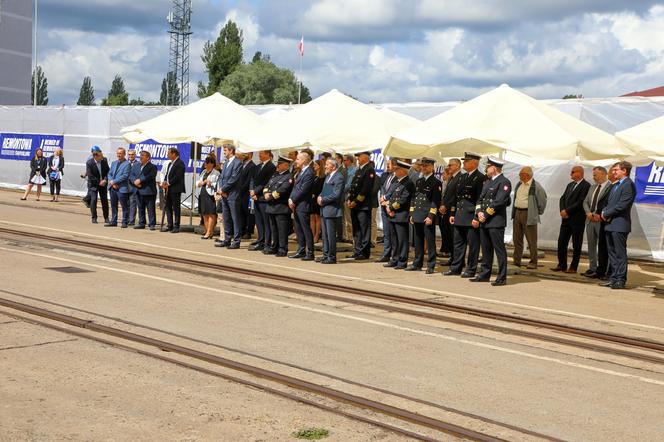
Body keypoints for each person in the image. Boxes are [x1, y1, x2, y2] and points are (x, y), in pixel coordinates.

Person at [471, 157, 512, 286]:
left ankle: (501, 277)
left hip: (495, 221)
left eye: (488, 167)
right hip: (485, 220)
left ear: (494, 168)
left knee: (499, 250)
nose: (486, 169)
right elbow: (480, 199)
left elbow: (499, 201)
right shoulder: (488, 182)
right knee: (486, 249)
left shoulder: (504, 182)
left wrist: (486, 215)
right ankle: (484, 274)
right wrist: (479, 213)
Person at [444, 152, 485, 278]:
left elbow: (480, 199)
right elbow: (457, 198)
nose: (464, 163)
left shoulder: (480, 178)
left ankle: (471, 269)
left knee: (473, 245)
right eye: (464, 161)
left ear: (474, 163)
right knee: (458, 244)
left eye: (467, 161)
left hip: (471, 215)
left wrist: (476, 217)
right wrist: (452, 213)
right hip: (460, 215)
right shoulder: (462, 177)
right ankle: (456, 267)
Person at [600, 161, 636, 290]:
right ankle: (614, 278)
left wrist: (606, 213)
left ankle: (620, 279)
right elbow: (610, 203)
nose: (613, 172)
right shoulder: (616, 185)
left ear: (624, 171)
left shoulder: (628, 185)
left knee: (620, 254)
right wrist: (604, 211)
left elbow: (623, 204)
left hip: (620, 224)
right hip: (610, 224)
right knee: (612, 254)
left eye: (616, 170)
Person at [551, 165, 590, 273]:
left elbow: (581, 201)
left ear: (579, 173)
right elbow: (562, 198)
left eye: (573, 172)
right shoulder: (570, 185)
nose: (570, 174)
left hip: (577, 219)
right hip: (566, 219)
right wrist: (562, 210)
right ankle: (562, 264)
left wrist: (568, 211)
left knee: (576, 244)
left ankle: (573, 267)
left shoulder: (586, 185)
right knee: (562, 241)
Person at [407, 157, 442, 274]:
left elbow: (435, 201)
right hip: (417, 214)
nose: (423, 168)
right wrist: (412, 213)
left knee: (430, 241)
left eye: (426, 166)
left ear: (432, 167)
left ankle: (431, 265)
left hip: (427, 216)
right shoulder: (419, 181)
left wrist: (431, 216)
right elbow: (414, 198)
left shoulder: (436, 182)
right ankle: (417, 262)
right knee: (418, 241)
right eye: (422, 166)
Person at [511, 166, 548, 269]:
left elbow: (542, 201)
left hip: (529, 214)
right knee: (517, 239)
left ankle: (533, 262)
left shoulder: (536, 186)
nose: (519, 175)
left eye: (520, 174)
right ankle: (517, 261)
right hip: (517, 212)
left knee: (531, 240)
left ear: (526, 175)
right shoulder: (519, 184)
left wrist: (537, 212)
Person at [383, 159, 415, 269]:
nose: (394, 171)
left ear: (403, 171)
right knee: (394, 240)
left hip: (401, 215)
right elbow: (389, 196)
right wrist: (388, 206)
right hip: (392, 215)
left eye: (397, 169)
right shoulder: (396, 182)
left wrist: (391, 208)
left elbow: (403, 200)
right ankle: (395, 259)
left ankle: (402, 261)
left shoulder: (408, 183)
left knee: (402, 240)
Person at [582, 166, 612, 278]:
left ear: (604, 174)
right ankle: (592, 268)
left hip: (601, 220)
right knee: (591, 246)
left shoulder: (610, 187)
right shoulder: (592, 187)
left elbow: (608, 204)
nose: (593, 177)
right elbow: (585, 202)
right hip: (590, 220)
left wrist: (598, 215)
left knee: (603, 246)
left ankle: (603, 268)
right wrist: (588, 213)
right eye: (593, 175)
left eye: (595, 175)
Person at [346, 151, 376, 260]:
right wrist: (350, 199)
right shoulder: (359, 169)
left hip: (363, 205)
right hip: (355, 205)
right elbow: (353, 186)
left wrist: (356, 201)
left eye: (359, 156)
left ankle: (364, 252)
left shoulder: (369, 170)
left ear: (365, 157)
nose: (358, 158)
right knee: (356, 229)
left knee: (364, 230)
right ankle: (357, 250)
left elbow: (366, 189)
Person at [264, 156, 294, 257]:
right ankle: (274, 246)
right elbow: (266, 186)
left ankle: (282, 248)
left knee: (282, 230)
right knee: (274, 229)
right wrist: (265, 194)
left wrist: (271, 196)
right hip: (271, 206)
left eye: (280, 164)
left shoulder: (289, 177)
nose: (277, 166)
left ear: (286, 166)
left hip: (281, 207)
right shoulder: (275, 175)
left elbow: (283, 190)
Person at [289, 150, 316, 260]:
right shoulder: (301, 171)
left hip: (303, 204)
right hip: (297, 204)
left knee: (305, 228)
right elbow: (296, 188)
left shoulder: (309, 172)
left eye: (298, 159)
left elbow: (304, 190)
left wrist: (293, 200)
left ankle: (310, 252)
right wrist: (291, 198)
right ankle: (301, 250)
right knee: (298, 228)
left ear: (304, 160)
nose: (296, 161)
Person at [317, 158, 345, 263]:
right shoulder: (328, 176)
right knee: (325, 235)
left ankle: (331, 257)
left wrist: (323, 199)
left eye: (327, 164)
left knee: (331, 235)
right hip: (324, 209)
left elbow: (336, 194)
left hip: (332, 210)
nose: (325, 166)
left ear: (333, 166)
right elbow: (324, 191)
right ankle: (325, 255)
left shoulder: (339, 177)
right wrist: (320, 197)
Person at [216, 145, 243, 248]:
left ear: (231, 151)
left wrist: (223, 189)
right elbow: (222, 178)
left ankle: (236, 241)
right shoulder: (226, 162)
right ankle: (227, 239)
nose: (224, 152)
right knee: (226, 218)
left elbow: (234, 179)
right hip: (224, 195)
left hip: (233, 195)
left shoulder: (237, 163)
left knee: (235, 218)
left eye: (225, 150)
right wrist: (221, 190)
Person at [249, 150, 276, 251]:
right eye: (259, 153)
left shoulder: (271, 167)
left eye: (262, 153)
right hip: (255, 197)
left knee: (266, 221)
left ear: (268, 154)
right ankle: (260, 240)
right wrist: (252, 190)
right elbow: (252, 179)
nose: (259, 155)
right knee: (258, 221)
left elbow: (266, 182)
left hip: (263, 197)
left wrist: (255, 192)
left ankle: (267, 242)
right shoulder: (258, 166)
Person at [439, 158, 462, 265]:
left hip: (454, 211)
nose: (448, 167)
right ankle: (453, 258)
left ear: (457, 166)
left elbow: (456, 196)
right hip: (448, 210)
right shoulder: (452, 178)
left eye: (450, 165)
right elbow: (447, 194)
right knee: (449, 236)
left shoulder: (460, 177)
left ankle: (457, 260)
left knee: (455, 237)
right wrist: (443, 205)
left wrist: (446, 206)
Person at [377, 158, 398, 262]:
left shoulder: (397, 178)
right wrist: (382, 199)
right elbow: (383, 189)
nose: (387, 166)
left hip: (391, 208)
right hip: (384, 207)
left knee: (393, 234)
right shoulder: (387, 176)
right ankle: (386, 254)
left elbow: (394, 193)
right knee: (386, 232)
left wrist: (387, 203)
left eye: (389, 164)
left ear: (395, 166)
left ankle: (394, 256)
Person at [160, 147, 186, 233]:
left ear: (174, 154)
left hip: (175, 189)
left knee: (176, 208)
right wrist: (164, 181)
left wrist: (169, 183)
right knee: (168, 207)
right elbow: (167, 174)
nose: (167, 155)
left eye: (169, 153)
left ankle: (176, 225)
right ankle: (169, 225)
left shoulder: (180, 163)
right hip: (168, 189)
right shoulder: (170, 163)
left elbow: (178, 176)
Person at [106, 147, 132, 228]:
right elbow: (109, 174)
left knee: (124, 206)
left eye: (120, 153)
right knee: (113, 205)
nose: (119, 155)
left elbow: (125, 176)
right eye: (118, 153)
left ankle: (124, 221)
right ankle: (113, 221)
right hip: (112, 187)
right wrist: (112, 182)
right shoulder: (114, 163)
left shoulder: (127, 164)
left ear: (124, 154)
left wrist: (114, 181)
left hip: (122, 188)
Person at [196, 156, 221, 239]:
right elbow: (198, 182)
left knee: (211, 214)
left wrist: (210, 183)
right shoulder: (203, 172)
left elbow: (218, 184)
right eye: (205, 163)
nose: (205, 164)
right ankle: (207, 231)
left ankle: (209, 232)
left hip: (210, 194)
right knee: (204, 213)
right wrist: (200, 183)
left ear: (212, 164)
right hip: (202, 193)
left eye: (207, 163)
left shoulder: (216, 173)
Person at [133, 150, 158, 230]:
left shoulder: (152, 166)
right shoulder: (136, 165)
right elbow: (131, 175)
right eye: (140, 155)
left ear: (148, 157)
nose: (141, 157)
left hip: (148, 191)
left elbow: (150, 176)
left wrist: (140, 180)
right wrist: (135, 182)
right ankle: (141, 223)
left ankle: (152, 224)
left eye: (143, 155)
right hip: (138, 190)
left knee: (150, 208)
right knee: (140, 207)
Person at [84, 146, 110, 224]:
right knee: (93, 200)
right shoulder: (89, 163)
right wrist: (99, 182)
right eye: (100, 156)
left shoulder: (104, 161)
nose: (102, 158)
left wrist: (105, 180)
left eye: (102, 156)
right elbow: (90, 175)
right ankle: (94, 218)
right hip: (94, 184)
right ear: (95, 156)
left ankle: (106, 218)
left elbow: (108, 172)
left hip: (103, 184)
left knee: (104, 201)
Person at [239, 152, 257, 239]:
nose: (243, 154)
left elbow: (249, 180)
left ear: (250, 154)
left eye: (245, 153)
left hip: (247, 193)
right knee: (242, 212)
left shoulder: (252, 166)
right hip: (241, 193)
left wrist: (241, 189)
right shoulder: (242, 165)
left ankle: (248, 231)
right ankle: (242, 230)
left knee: (249, 212)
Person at [342, 154, 357, 242]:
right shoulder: (344, 170)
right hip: (343, 196)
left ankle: (351, 237)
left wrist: (339, 189)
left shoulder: (353, 170)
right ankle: (346, 236)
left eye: (345, 160)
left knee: (349, 218)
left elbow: (349, 185)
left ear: (350, 161)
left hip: (348, 196)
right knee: (344, 218)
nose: (344, 162)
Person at [310, 159, 326, 244]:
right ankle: (312, 235)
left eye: (315, 165)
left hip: (317, 199)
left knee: (317, 217)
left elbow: (321, 189)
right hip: (311, 199)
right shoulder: (313, 176)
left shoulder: (323, 177)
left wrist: (315, 195)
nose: (314, 166)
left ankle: (317, 235)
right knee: (312, 217)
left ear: (320, 166)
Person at [126, 149, 141, 226]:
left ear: (135, 155)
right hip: (124, 187)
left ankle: (131, 220)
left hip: (134, 187)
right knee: (126, 204)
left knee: (133, 204)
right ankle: (126, 219)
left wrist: (135, 182)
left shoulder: (138, 164)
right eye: (129, 154)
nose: (130, 156)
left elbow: (138, 174)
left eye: (132, 154)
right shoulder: (125, 163)